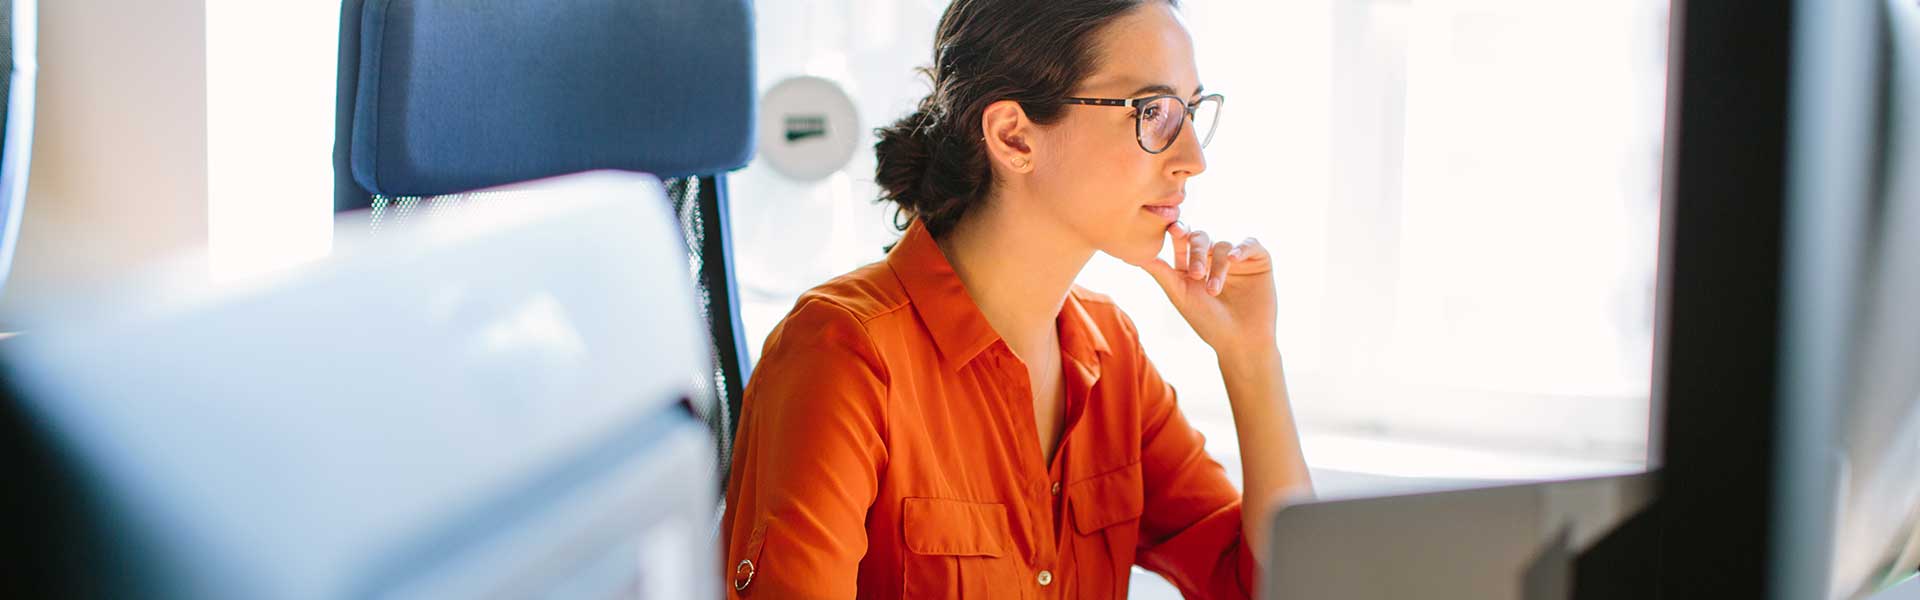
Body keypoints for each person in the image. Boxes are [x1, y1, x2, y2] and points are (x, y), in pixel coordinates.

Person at [721, 0, 1312, 597]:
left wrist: (1252, 356)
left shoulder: (1114, 359)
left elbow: (1275, 587)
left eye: (1190, 111)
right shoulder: (844, 356)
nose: (1193, 160)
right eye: (1153, 112)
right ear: (1014, 137)